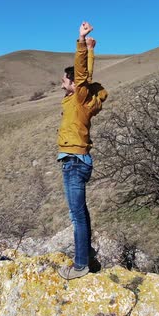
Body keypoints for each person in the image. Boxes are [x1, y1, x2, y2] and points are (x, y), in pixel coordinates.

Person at [57, 21, 107, 280]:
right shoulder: (77, 99)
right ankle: (84, 258)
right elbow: (83, 77)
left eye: (65, 80)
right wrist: (90, 48)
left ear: (74, 84)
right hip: (76, 160)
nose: (61, 82)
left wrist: (81, 41)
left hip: (74, 162)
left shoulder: (79, 96)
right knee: (80, 214)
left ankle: (80, 267)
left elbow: (82, 75)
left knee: (77, 217)